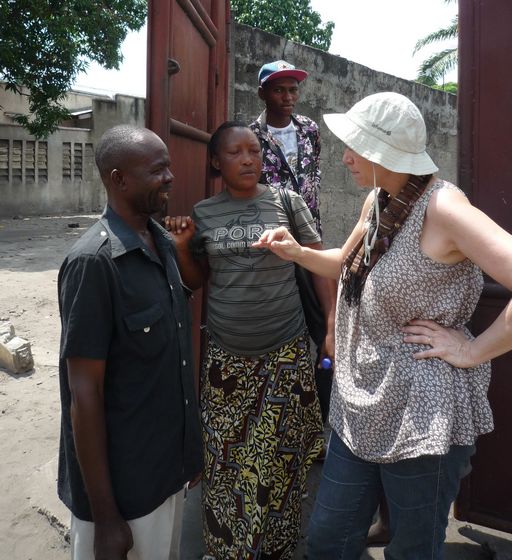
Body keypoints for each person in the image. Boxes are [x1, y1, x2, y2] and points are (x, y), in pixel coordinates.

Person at [254, 91, 498, 560]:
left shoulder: (443, 208)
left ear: (386, 152)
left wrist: (471, 350)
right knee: (329, 539)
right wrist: (297, 253)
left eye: (356, 146)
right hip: (362, 402)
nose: (345, 156)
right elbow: (344, 264)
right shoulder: (380, 200)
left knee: (412, 549)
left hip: (421, 410)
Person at [167, 121, 330, 560]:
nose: (248, 159)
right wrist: (183, 246)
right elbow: (197, 281)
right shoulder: (203, 213)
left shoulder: (287, 202)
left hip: (284, 353)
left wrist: (331, 324)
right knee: (224, 460)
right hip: (227, 358)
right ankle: (225, 548)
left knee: (278, 461)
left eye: (254, 151)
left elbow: (318, 264)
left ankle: (274, 548)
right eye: (235, 152)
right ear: (216, 162)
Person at [58, 125, 202, 560]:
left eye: (168, 167)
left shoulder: (161, 243)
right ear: (119, 179)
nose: (170, 177)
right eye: (157, 170)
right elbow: (84, 393)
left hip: (166, 474)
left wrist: (188, 457)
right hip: (121, 494)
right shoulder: (93, 264)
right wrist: (105, 518)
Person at [250, 60, 335, 426]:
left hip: (310, 236)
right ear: (263, 93)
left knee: (325, 323)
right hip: (274, 242)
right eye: (279, 90)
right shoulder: (251, 136)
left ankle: (322, 408)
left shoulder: (309, 129)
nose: (288, 97)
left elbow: (312, 176)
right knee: (281, 323)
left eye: (293, 90)